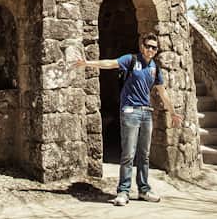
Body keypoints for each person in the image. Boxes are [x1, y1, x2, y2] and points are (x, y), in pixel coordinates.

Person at [74, 31, 183, 206]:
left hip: (146, 113)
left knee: (144, 155)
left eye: (153, 48)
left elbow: (162, 92)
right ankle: (123, 191)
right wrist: (87, 63)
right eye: (147, 46)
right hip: (130, 112)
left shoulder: (155, 67)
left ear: (156, 50)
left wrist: (173, 112)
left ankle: (144, 189)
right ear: (142, 46)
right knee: (128, 154)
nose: (150, 50)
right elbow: (111, 63)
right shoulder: (131, 60)